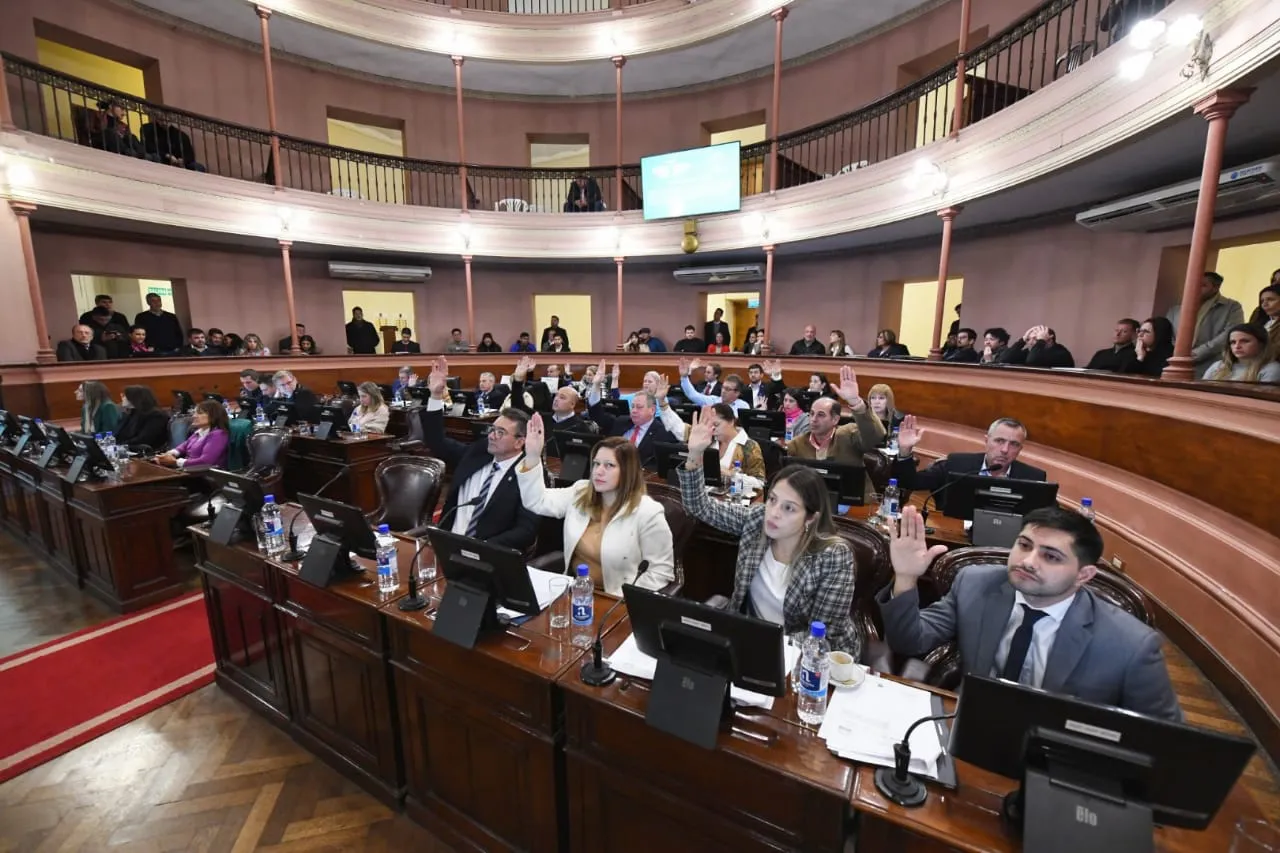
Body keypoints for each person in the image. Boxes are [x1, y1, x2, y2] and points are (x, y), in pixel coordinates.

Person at [877, 505, 1181, 721]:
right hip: (969, 723)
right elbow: (909, 642)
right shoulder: (976, 584)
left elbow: (1163, 738)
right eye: (1024, 545)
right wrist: (906, 578)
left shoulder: (1131, 644)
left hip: (1059, 757)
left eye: (1051, 556)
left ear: (1083, 575)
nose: (1029, 561)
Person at [680, 408, 861, 656]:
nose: (773, 513)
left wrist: (758, 643)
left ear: (811, 518)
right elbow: (700, 506)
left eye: (789, 508)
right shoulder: (757, 519)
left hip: (809, 656)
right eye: (773, 500)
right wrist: (695, 454)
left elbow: (822, 633)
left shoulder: (833, 556)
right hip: (749, 641)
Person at [517, 419, 676, 595]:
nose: (598, 471)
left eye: (609, 466)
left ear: (627, 472)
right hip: (575, 591)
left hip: (616, 602)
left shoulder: (648, 512)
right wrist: (532, 456)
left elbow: (661, 571)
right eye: (596, 464)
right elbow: (536, 501)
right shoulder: (580, 491)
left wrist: (627, 601)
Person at [418, 358, 538, 551]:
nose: (492, 436)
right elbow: (436, 442)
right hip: (446, 546)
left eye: (501, 432)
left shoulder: (529, 474)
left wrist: (483, 548)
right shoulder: (477, 454)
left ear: (519, 442)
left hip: (487, 558)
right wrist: (435, 395)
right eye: (492, 429)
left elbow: (526, 531)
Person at [781, 366, 886, 497]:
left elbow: (876, 435)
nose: (813, 419)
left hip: (854, 503)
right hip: (815, 503)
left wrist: (856, 402)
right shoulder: (799, 443)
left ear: (835, 419)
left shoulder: (848, 435)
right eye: (811, 414)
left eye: (820, 415)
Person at [891, 415, 1046, 493]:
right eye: (999, 441)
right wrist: (905, 451)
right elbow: (910, 483)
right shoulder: (956, 464)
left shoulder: (1033, 478)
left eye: (1014, 444)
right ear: (987, 441)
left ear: (1020, 449)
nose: (1005, 449)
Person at [1166, 271, 1245, 379]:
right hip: (1177, 362)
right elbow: (1168, 333)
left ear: (1216, 287)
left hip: (1212, 364)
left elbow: (1230, 333)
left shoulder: (1231, 307)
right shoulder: (1176, 309)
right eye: (1193, 284)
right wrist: (1180, 353)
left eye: (1202, 285)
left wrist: (1197, 353)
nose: (1195, 288)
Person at [154, 400, 229, 470]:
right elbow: (182, 447)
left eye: (200, 413)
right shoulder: (199, 432)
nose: (194, 416)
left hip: (204, 477)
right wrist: (167, 455)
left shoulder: (218, 435)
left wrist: (176, 462)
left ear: (214, 415)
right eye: (194, 413)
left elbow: (205, 462)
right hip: (189, 471)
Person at [1202, 323, 1280, 384]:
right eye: (1233, 342)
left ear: (1261, 343)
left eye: (1245, 341)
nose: (1237, 346)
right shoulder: (1218, 366)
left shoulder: (1270, 369)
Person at [705, 402, 766, 479]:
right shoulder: (709, 442)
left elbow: (759, 482)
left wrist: (732, 475)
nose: (712, 430)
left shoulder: (749, 446)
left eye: (716, 425)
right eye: (709, 426)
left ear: (731, 422)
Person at [114, 385, 170, 452]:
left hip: (147, 452)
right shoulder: (132, 413)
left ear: (134, 398)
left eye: (124, 396)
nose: (122, 398)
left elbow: (144, 439)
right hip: (127, 449)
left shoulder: (156, 416)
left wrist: (120, 445)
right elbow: (119, 435)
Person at [1003, 325, 1076, 368]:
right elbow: (1004, 359)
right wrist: (1023, 339)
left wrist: (1040, 341)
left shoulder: (1060, 353)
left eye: (1035, 339)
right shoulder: (1033, 351)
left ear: (1050, 340)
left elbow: (1032, 362)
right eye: (1028, 339)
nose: (1030, 342)